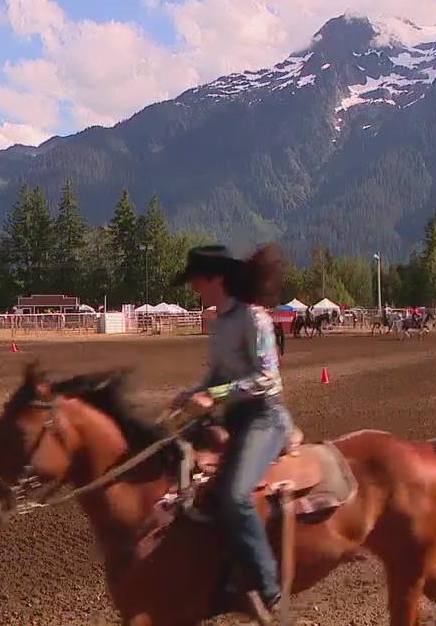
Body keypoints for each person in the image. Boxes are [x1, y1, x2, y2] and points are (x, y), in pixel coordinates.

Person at [166, 244, 293, 615]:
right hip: (234, 417)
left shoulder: (255, 319)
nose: (193, 289)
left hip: (265, 418)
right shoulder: (220, 323)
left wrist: (215, 393)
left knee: (235, 495)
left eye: (197, 281)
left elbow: (268, 378)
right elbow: (216, 378)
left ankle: (270, 591)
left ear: (216, 279)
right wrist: (190, 393)